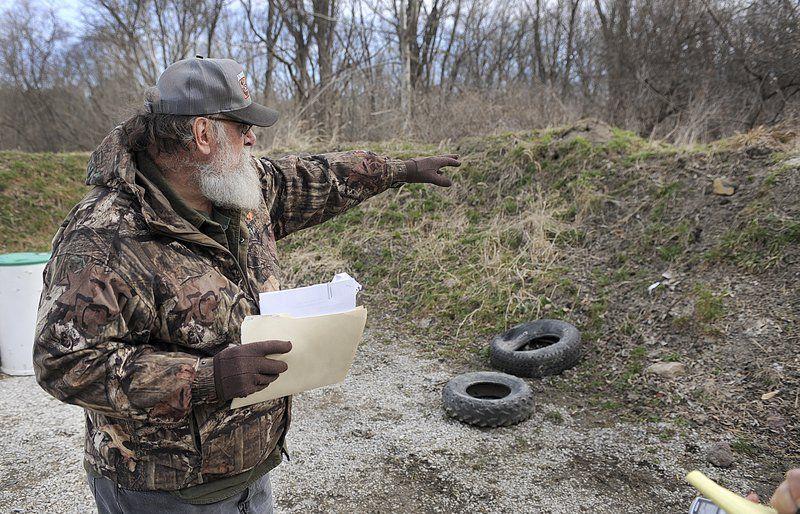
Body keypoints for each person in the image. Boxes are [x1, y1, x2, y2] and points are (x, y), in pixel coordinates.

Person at [32, 56, 460, 513]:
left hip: (250, 469)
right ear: (202, 134)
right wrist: (205, 378)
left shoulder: (234, 189)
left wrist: (400, 171)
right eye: (242, 127)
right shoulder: (104, 239)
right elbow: (65, 363)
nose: (253, 138)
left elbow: (314, 178)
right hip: (162, 491)